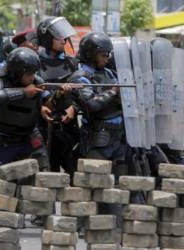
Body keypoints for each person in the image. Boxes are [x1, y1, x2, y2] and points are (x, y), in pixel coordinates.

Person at [71, 32, 128, 225]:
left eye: (108, 55)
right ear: (90, 53)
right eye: (103, 54)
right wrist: (114, 92)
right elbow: (91, 105)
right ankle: (81, 225)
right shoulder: (81, 77)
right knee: (94, 183)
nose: (107, 58)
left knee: (118, 186)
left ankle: (116, 226)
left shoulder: (110, 74)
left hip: (118, 138)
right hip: (98, 138)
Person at [0, 47, 50, 177]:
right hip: (3, 136)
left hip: (29, 135)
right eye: (28, 74)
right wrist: (24, 92)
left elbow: (49, 101)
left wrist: (58, 96)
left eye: (34, 73)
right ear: (17, 72)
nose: (32, 77)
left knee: (43, 173)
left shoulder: (37, 82)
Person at [37, 16, 79, 181]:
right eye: (58, 36)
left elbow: (83, 94)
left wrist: (74, 107)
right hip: (44, 129)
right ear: (47, 39)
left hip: (69, 128)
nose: (64, 40)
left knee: (76, 178)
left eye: (64, 36)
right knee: (47, 180)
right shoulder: (35, 63)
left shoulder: (73, 64)